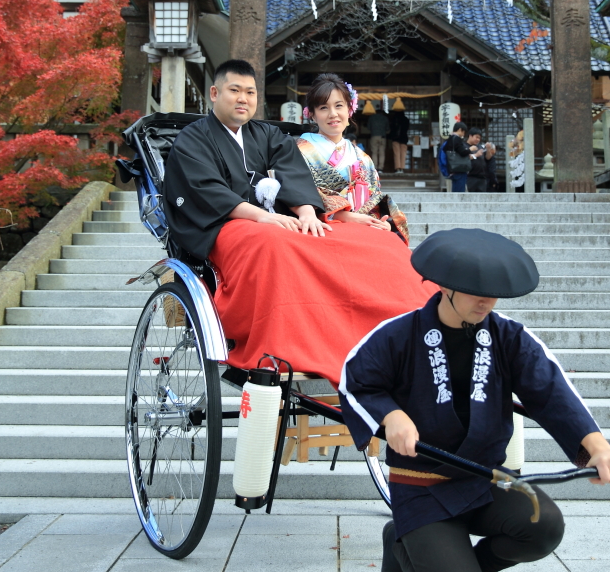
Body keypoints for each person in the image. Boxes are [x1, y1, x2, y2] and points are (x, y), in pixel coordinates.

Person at [337, 227, 610, 572]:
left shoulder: (508, 337)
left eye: (493, 293)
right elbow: (355, 382)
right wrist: (391, 416)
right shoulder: (398, 334)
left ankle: (482, 568)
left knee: (544, 525)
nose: (486, 301)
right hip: (423, 488)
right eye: (476, 291)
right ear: (445, 286)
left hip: (484, 480)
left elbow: (551, 390)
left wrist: (597, 447)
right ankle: (401, 540)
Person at [163, 59, 427, 383]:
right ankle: (290, 348)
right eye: (235, 90)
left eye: (250, 92)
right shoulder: (192, 139)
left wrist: (305, 211)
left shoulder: (267, 134)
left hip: (280, 220)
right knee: (274, 243)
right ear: (215, 93)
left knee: (372, 241)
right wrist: (263, 217)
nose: (243, 98)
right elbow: (206, 190)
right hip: (224, 226)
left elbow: (292, 170)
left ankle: (393, 337)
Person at [297, 74, 411, 241]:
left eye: (339, 105)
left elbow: (373, 201)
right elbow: (296, 194)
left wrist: (380, 222)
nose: (333, 114)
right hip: (321, 228)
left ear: (349, 109)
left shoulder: (363, 158)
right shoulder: (299, 150)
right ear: (312, 114)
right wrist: (345, 216)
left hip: (363, 229)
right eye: (323, 108)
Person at [444, 123, 471, 193]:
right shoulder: (456, 139)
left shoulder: (450, 138)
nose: (463, 134)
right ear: (459, 129)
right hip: (459, 169)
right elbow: (462, 152)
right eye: (463, 132)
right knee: (460, 192)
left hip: (453, 169)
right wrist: (470, 149)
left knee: (455, 191)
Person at [366, 106, 390, 172]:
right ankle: (380, 168)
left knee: (374, 152)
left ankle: (375, 167)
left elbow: (368, 127)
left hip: (374, 136)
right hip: (382, 136)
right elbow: (387, 128)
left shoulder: (371, 118)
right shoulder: (385, 118)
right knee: (382, 153)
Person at [389, 107, 409, 172]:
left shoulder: (394, 119)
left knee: (396, 153)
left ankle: (397, 168)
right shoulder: (406, 119)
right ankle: (402, 168)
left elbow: (391, 128)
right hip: (404, 138)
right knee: (403, 153)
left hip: (395, 138)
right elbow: (407, 128)